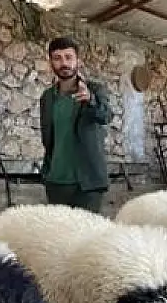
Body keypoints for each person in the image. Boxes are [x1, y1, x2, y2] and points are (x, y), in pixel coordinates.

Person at [38, 35, 112, 213]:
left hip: (88, 184)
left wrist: (90, 101)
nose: (64, 63)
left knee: (87, 237)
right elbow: (48, 137)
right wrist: (47, 173)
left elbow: (106, 116)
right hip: (56, 182)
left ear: (78, 61)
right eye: (57, 58)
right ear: (51, 63)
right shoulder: (47, 97)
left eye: (68, 57)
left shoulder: (95, 89)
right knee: (58, 238)